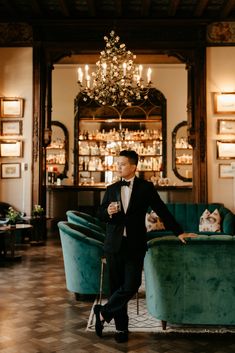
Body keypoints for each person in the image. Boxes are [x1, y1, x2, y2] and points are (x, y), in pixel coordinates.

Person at [95, 150, 196, 343]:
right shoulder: (111, 188)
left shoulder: (145, 188)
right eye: (117, 164)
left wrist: (178, 232)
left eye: (122, 164)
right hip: (114, 244)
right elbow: (99, 214)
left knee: (132, 285)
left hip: (135, 244)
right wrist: (107, 211)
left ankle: (103, 313)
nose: (118, 167)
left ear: (133, 166)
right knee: (116, 287)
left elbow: (162, 210)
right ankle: (121, 329)